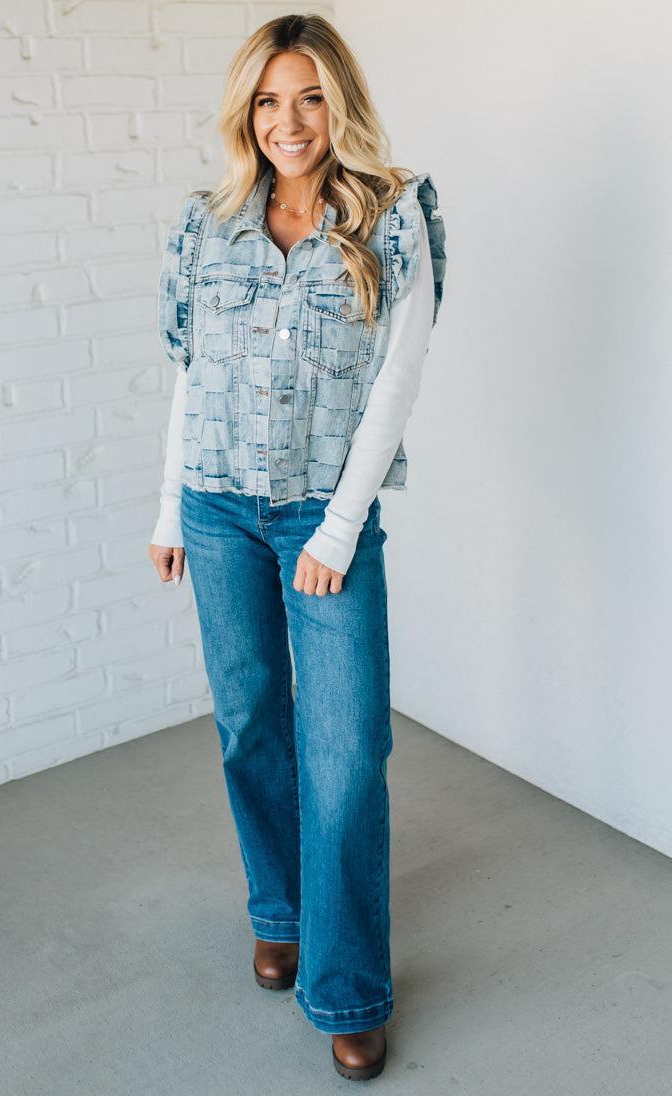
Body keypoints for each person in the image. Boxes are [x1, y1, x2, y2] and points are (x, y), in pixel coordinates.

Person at [148, 12, 446, 1082]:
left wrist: (334, 526)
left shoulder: (395, 215)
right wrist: (164, 511)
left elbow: (393, 385)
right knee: (248, 726)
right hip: (216, 506)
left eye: (309, 96)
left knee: (345, 750)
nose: (289, 121)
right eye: (269, 100)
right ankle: (276, 909)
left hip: (326, 513)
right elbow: (192, 374)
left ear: (339, 104)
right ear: (247, 111)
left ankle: (348, 985)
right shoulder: (206, 222)